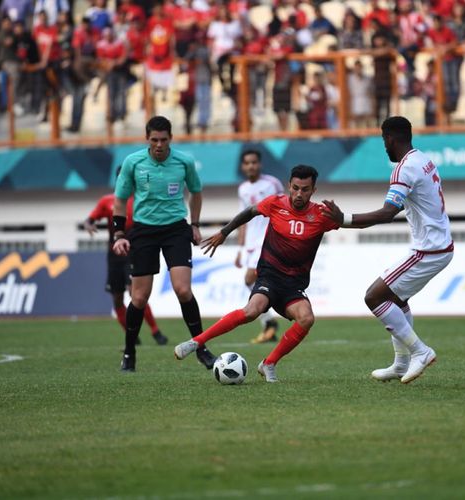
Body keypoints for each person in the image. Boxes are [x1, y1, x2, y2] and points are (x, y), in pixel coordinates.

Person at [173, 165, 340, 382]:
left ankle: (268, 364)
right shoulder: (275, 203)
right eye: (296, 188)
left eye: (305, 189)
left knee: (307, 318)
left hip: (294, 285)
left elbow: (354, 222)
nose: (299, 193)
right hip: (269, 276)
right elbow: (249, 212)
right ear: (289, 185)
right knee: (252, 310)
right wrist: (224, 232)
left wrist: (387, 211)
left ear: (313, 190)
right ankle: (196, 342)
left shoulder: (321, 214)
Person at [320, 116, 454, 384]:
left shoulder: (403, 169)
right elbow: (408, 203)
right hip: (439, 245)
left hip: (429, 250)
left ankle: (420, 352)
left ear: (390, 138)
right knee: (395, 299)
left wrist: (343, 219)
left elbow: (387, 213)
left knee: (374, 297)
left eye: (384, 140)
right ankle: (401, 364)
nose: (384, 146)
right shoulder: (423, 159)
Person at [112, 115, 216, 372]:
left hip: (175, 230)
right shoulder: (133, 162)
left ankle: (201, 348)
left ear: (171, 139)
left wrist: (195, 224)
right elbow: (120, 199)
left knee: (183, 290)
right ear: (147, 139)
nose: (159, 144)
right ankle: (129, 352)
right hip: (144, 231)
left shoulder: (184, 161)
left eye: (164, 140)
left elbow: (196, 192)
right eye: (154, 140)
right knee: (139, 297)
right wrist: (118, 235)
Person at [84, 169, 167, 346]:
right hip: (114, 255)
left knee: (135, 294)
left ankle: (155, 331)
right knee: (116, 298)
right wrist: (88, 225)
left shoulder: (141, 200)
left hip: (134, 252)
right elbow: (89, 219)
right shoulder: (107, 201)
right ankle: (131, 336)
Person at [234, 149, 284, 343]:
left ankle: (269, 321)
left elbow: (283, 209)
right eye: (247, 163)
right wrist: (239, 250)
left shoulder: (272, 183)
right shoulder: (243, 189)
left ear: (260, 164)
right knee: (252, 282)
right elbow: (243, 219)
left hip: (267, 241)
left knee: (250, 279)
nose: (251, 166)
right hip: (251, 244)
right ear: (242, 166)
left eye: (254, 162)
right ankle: (269, 324)